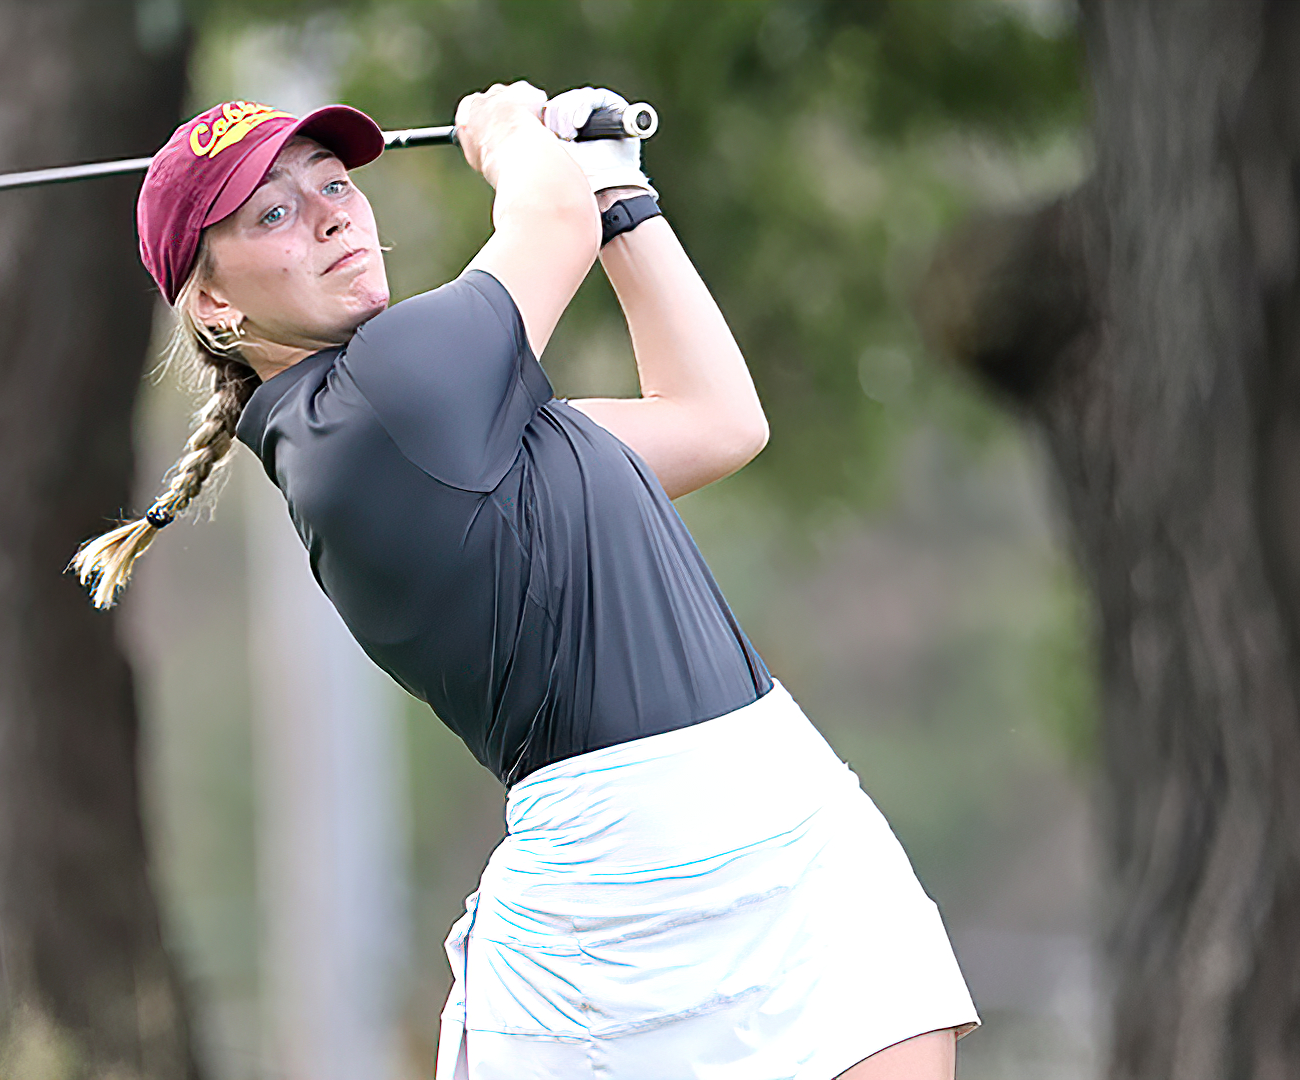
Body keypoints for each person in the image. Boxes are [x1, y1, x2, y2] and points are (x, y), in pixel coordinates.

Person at [74, 84, 979, 1080]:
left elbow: (715, 420)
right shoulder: (387, 392)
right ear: (213, 303)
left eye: (333, 183)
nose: (334, 210)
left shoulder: (435, 417)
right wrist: (508, 130)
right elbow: (547, 219)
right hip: (617, 915)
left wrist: (619, 193)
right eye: (275, 212)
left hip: (787, 823)